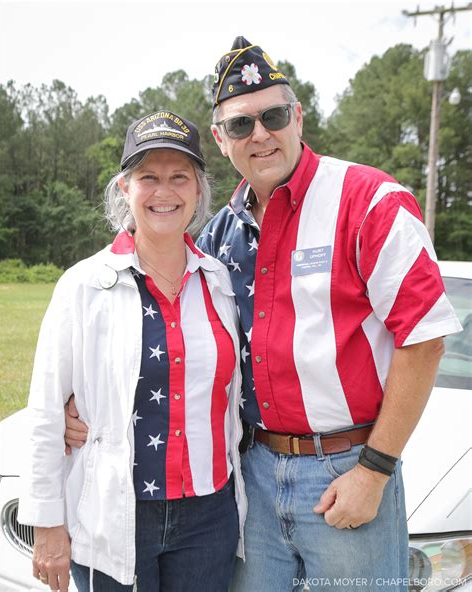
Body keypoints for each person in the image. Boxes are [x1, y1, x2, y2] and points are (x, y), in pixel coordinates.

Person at [64, 37, 462, 591]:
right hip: (248, 471)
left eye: (273, 115)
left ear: (297, 117)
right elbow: (176, 339)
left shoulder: (369, 200)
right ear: (223, 142)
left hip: (346, 467)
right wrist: (79, 405)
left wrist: (374, 470)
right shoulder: (219, 234)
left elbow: (424, 340)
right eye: (240, 125)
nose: (260, 134)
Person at [18, 109, 247, 592]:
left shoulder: (219, 282)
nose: (164, 192)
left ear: (199, 189)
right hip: (116, 512)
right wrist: (46, 524)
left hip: (209, 515)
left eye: (179, 177)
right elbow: (44, 413)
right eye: (148, 177)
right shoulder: (84, 285)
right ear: (125, 188)